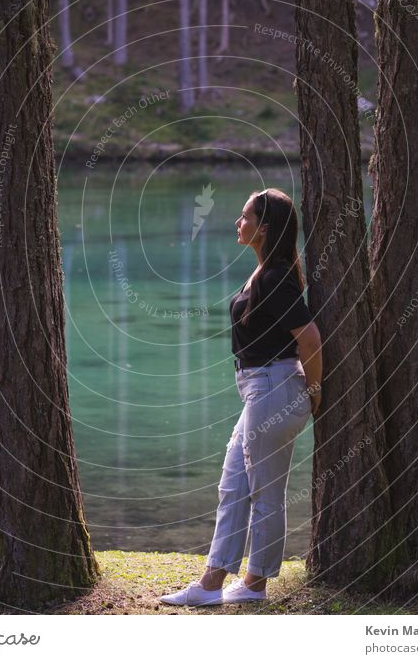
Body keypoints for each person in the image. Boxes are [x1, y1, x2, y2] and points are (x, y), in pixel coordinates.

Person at [160, 188, 323, 606]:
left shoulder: (274, 276)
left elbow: (310, 338)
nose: (238, 222)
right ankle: (220, 582)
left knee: (265, 492)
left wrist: (314, 389)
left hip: (274, 386)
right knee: (233, 485)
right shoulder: (264, 270)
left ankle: (250, 584)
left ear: (264, 228)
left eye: (245, 215)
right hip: (260, 388)